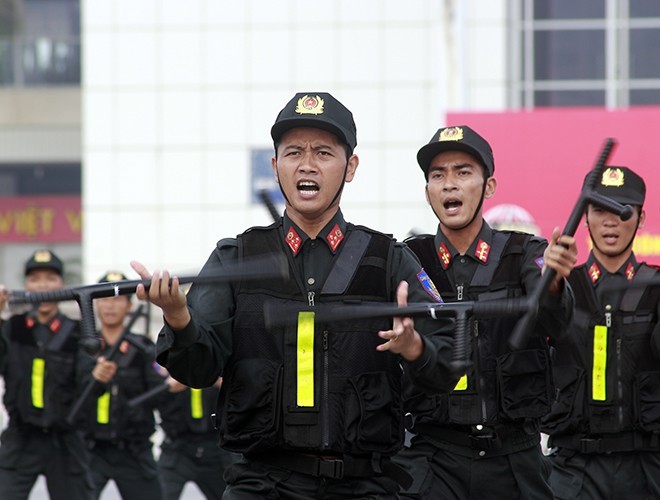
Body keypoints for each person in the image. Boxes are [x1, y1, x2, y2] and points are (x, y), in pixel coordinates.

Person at [132, 91, 456, 498]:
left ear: (350, 167)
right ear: (275, 166)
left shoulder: (388, 259)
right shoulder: (237, 257)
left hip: (365, 485)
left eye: (323, 152)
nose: (307, 164)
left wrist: (414, 348)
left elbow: (451, 362)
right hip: (261, 484)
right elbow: (195, 371)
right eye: (293, 152)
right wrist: (178, 316)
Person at [394, 125, 578, 499]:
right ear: (427, 190)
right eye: (437, 175)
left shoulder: (524, 252)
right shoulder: (409, 259)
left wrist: (555, 283)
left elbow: (557, 323)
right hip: (433, 459)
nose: (449, 185)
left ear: (489, 186)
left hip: (514, 459)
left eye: (463, 172)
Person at [541, 167, 660, 499]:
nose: (610, 221)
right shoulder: (561, 286)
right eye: (599, 210)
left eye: (622, 211)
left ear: (640, 217)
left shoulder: (655, 286)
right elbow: (542, 327)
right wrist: (549, 287)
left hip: (647, 468)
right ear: (584, 217)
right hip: (574, 469)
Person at [0, 249, 93, 500]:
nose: (43, 286)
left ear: (62, 284)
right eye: (36, 278)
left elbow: (90, 387)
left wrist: (101, 377)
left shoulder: (77, 332)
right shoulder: (11, 327)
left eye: (51, 278)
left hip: (64, 441)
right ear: (26, 285)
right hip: (21, 439)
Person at [78, 271, 165, 499]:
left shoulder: (144, 348)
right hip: (91, 449)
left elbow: (160, 394)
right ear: (96, 305)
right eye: (105, 299)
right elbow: (71, 393)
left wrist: (171, 385)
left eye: (117, 299)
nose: (110, 306)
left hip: (133, 450)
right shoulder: (84, 348)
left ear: (128, 305)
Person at [157, 374, 239, 499]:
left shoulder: (225, 360)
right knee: (159, 494)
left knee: (232, 495)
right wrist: (167, 388)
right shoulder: (166, 360)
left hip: (216, 448)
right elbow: (146, 397)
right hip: (177, 448)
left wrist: (230, 386)